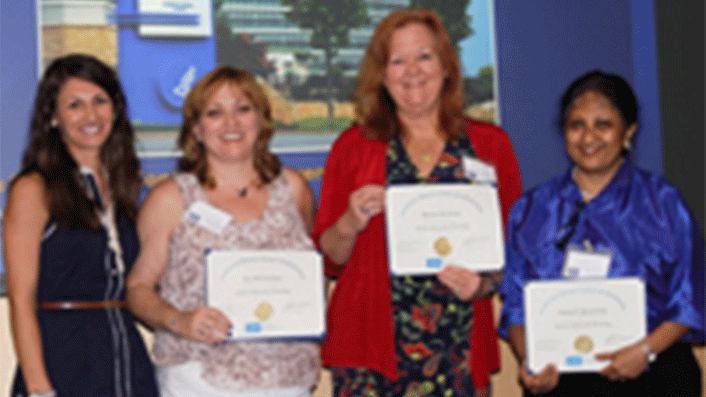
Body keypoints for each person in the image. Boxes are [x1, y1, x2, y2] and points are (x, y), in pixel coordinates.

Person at [313, 8, 522, 397]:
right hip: (369, 349)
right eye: (397, 60)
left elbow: (513, 249)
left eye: (424, 56)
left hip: (459, 345)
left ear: (446, 66)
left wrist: (483, 285)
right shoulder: (353, 148)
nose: (412, 70)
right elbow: (331, 257)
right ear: (382, 75)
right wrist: (349, 223)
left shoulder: (491, 145)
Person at [499, 70, 705, 396]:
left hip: (653, 374)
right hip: (561, 382)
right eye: (576, 125)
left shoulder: (663, 202)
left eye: (603, 124)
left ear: (628, 132)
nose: (588, 137)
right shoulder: (531, 209)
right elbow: (516, 305)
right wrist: (532, 363)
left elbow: (689, 299)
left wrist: (645, 351)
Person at [126, 66, 320, 397]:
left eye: (243, 109)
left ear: (261, 121)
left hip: (288, 378)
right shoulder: (170, 199)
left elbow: (308, 276)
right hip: (199, 378)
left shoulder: (294, 189)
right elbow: (138, 289)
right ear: (197, 130)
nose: (231, 123)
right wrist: (179, 320)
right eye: (215, 113)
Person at [3, 54, 158, 397]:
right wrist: (39, 388)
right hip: (64, 362)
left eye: (100, 101)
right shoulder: (34, 189)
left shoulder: (125, 188)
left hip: (129, 361)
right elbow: (21, 300)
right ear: (53, 118)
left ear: (115, 110)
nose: (91, 116)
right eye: (75, 105)